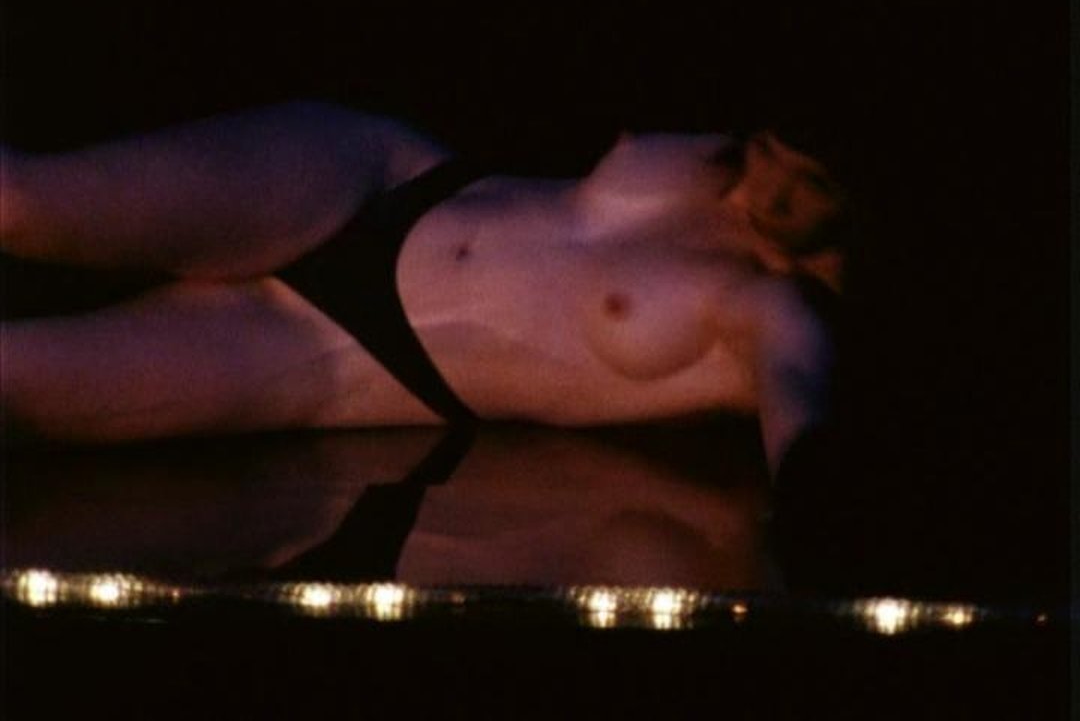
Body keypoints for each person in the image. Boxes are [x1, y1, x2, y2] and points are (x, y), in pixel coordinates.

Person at [0, 101, 846, 471]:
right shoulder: (719, 162)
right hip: (379, 178)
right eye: (771, 151)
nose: (770, 190)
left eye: (808, 184)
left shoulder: (776, 307)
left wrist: (815, 514)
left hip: (346, 359)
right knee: (20, 201)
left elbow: (799, 403)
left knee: (13, 382)